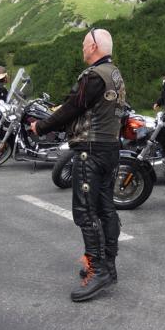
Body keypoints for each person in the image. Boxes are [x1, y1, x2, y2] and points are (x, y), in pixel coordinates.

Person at [31, 28, 125, 302]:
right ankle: (109, 266)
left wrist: (41, 126)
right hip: (110, 148)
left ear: (94, 46)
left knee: (85, 212)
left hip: (90, 151)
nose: (82, 48)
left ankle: (98, 270)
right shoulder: (114, 74)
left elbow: (72, 108)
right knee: (106, 209)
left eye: (84, 44)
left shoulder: (93, 76)